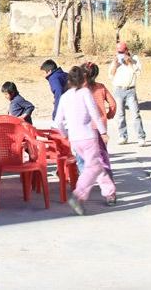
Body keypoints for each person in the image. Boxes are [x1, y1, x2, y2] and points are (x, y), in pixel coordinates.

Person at [52, 66, 115, 215]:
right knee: (92, 167)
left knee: (96, 165)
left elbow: (58, 121)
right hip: (88, 136)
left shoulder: (65, 97)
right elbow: (95, 114)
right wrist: (103, 132)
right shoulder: (85, 92)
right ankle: (78, 195)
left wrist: (65, 134)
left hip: (75, 139)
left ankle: (109, 192)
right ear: (83, 79)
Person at [108, 41, 147, 146]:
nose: (120, 54)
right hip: (118, 89)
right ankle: (123, 136)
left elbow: (138, 73)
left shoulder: (134, 59)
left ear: (126, 50)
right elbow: (110, 76)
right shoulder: (116, 60)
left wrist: (130, 63)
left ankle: (141, 137)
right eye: (119, 52)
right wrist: (115, 65)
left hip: (130, 89)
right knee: (120, 115)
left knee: (135, 114)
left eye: (122, 52)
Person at [83, 62, 116, 176]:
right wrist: (109, 115)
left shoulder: (81, 89)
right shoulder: (101, 87)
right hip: (101, 125)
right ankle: (106, 175)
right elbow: (113, 104)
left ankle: (88, 176)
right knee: (102, 154)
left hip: (86, 126)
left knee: (86, 155)